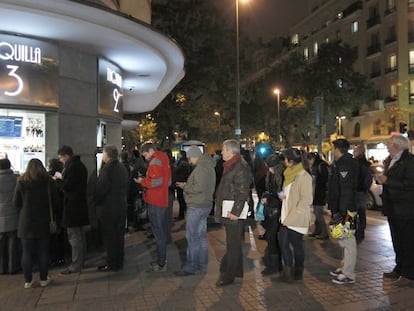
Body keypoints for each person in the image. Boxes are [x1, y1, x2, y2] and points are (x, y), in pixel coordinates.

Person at [13, 159, 59, 288]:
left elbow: (16, 203)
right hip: (43, 221)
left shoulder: (22, 181)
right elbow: (55, 201)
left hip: (26, 222)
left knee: (26, 252)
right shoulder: (48, 181)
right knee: (43, 251)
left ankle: (28, 281)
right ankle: (44, 279)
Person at [214, 139, 251, 287]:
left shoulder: (238, 167)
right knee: (234, 243)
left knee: (232, 244)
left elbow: (242, 192)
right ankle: (237, 271)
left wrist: (235, 212)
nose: (221, 152)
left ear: (230, 151)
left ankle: (229, 276)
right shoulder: (231, 165)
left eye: (223, 149)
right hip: (229, 209)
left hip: (233, 211)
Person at [379, 134, 414, 287]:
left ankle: (409, 274)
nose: (387, 146)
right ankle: (399, 268)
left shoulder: (409, 161)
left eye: (388, 144)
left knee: (407, 242)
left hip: (405, 208)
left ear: (397, 145)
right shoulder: (390, 160)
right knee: (397, 240)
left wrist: (389, 181)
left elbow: (410, 184)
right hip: (392, 207)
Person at [174, 146, 216, 276]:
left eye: (190, 158)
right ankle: (202, 264)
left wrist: (186, 187)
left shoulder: (201, 168)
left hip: (197, 205)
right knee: (201, 236)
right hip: (205, 204)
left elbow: (198, 187)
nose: (189, 161)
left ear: (195, 156)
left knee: (192, 237)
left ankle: (192, 266)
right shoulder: (208, 165)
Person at [278, 148, 313, 282]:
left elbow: (306, 200)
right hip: (285, 215)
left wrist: (293, 215)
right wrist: (284, 197)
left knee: (296, 245)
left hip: (296, 218)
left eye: (285, 159)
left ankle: (298, 271)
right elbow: (290, 193)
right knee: (283, 244)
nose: (283, 162)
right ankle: (287, 271)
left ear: (291, 161)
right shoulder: (288, 174)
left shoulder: (304, 177)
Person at [136, 143, 171, 272]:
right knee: (160, 232)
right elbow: (168, 181)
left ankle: (161, 263)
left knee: (159, 234)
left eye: (145, 154)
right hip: (162, 200)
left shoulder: (155, 161)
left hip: (155, 201)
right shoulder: (164, 158)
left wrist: (142, 181)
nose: (145, 158)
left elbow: (156, 182)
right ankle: (161, 260)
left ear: (150, 150)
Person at [328, 138, 358, 285]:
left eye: (333, 149)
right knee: (344, 240)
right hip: (345, 207)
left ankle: (349, 273)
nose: (332, 151)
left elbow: (345, 189)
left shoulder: (344, 164)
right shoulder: (343, 163)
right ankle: (345, 266)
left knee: (348, 241)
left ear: (337, 149)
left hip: (347, 208)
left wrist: (341, 211)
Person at [95, 145, 129, 271]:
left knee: (110, 237)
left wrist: (97, 202)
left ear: (107, 154)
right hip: (121, 206)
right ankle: (119, 262)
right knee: (119, 237)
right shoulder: (122, 167)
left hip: (109, 208)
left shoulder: (107, 169)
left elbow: (101, 189)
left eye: (103, 153)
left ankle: (112, 263)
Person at [57, 145, 89, 275]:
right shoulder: (79, 165)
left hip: (73, 207)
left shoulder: (73, 167)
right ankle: (81, 261)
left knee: (74, 237)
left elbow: (68, 185)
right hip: (79, 205)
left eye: (60, 158)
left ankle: (76, 264)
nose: (60, 161)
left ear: (65, 155)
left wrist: (58, 180)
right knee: (80, 235)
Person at [260, 154, 284, 276]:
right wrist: (266, 196)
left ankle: (275, 265)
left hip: (277, 210)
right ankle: (272, 261)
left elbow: (280, 195)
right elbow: (270, 190)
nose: (268, 169)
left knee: (272, 236)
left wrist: (269, 199)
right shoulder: (271, 175)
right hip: (271, 210)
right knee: (271, 237)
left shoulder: (281, 176)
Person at [0, 158, 19, 274]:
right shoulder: (15, 179)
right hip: (13, 212)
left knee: (1, 243)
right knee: (13, 241)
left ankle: (1, 268)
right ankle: (13, 267)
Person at [47, 158, 66, 267]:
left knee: (53, 237)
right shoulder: (60, 178)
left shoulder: (48, 178)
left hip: (52, 212)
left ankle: (53, 258)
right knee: (60, 235)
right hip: (60, 211)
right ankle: (60, 258)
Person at [307, 152, 329, 240]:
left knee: (318, 213)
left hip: (319, 192)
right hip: (319, 192)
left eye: (309, 161)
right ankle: (317, 230)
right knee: (316, 212)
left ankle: (324, 232)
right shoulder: (321, 164)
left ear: (312, 159)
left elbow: (314, 181)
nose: (309, 163)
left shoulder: (318, 166)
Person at [353, 145, 371, 243]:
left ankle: (357, 232)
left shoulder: (357, 163)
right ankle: (361, 232)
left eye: (355, 151)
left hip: (357, 191)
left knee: (355, 213)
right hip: (363, 191)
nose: (353, 152)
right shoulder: (366, 163)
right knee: (362, 213)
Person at [175, 150, 191, 220]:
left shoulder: (181, 163)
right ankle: (182, 214)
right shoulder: (186, 162)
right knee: (182, 199)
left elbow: (177, 171)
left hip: (181, 182)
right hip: (183, 181)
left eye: (179, 154)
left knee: (181, 199)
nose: (178, 155)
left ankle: (182, 215)